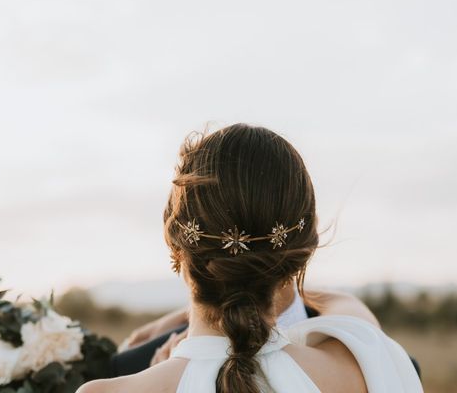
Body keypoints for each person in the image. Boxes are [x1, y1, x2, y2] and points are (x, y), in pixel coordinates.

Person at [78, 123, 423, 393]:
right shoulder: (356, 367)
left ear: (175, 246)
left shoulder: (109, 390)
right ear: (303, 251)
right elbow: (351, 315)